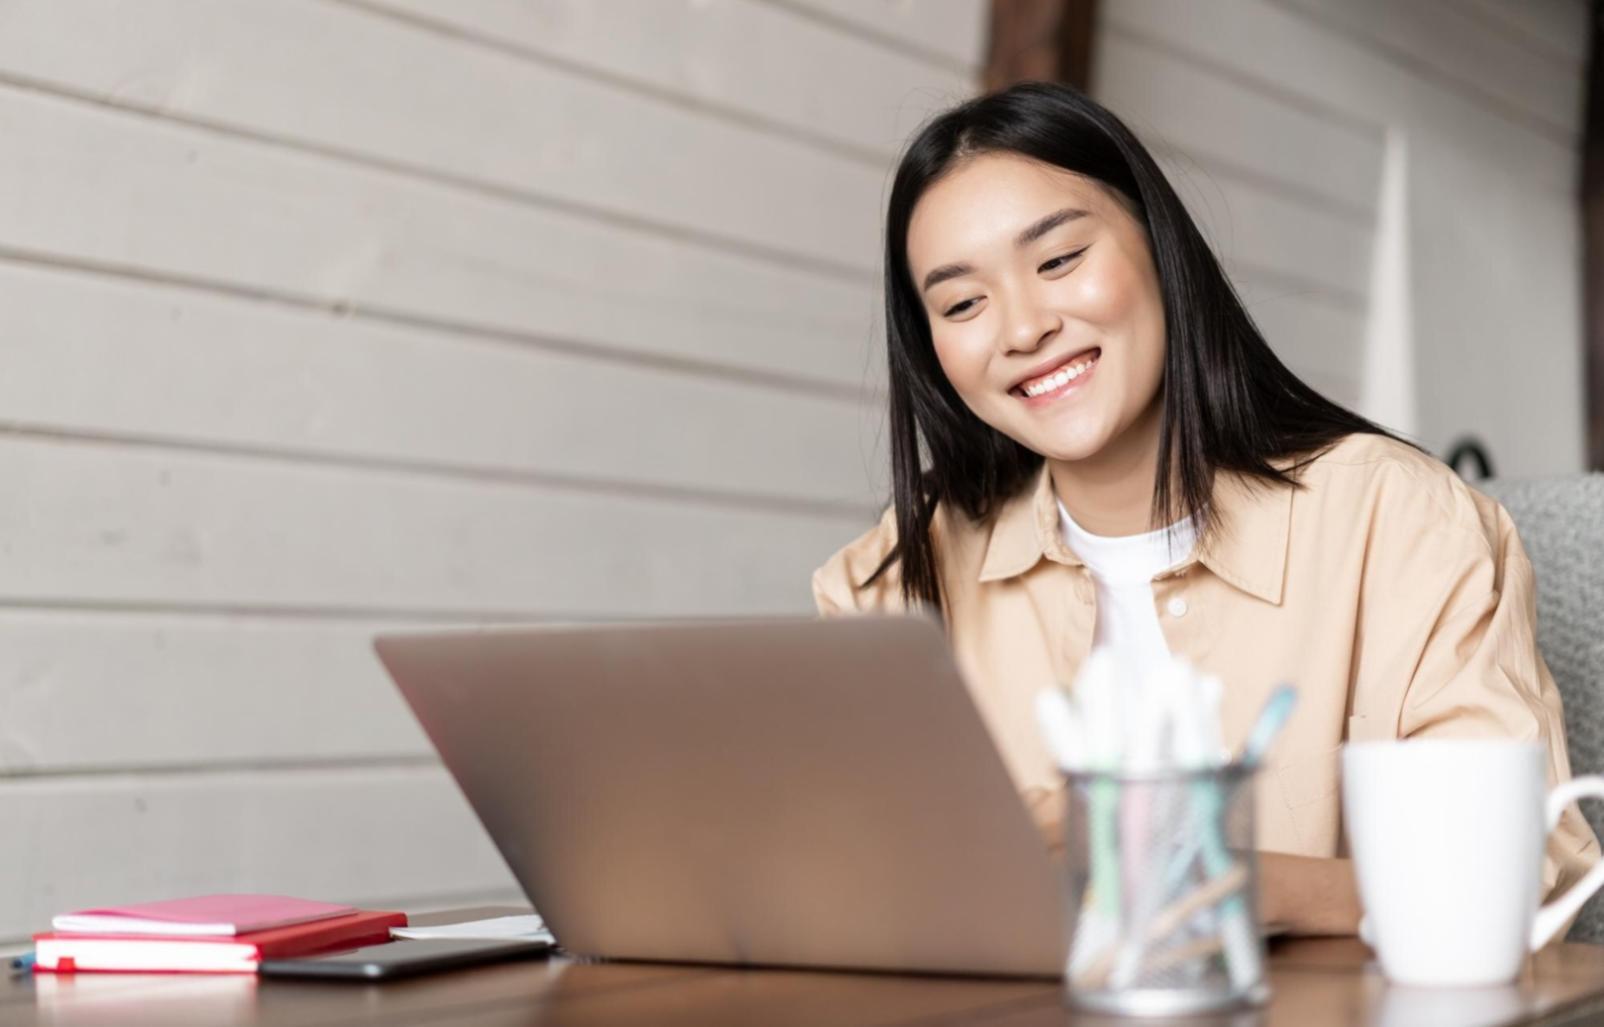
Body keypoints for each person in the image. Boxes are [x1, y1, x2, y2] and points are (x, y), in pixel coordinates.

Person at [811, 81, 1600, 937]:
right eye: (962, 303)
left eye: (1060, 260)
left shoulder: (1395, 518)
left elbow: (1514, 874)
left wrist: (1214, 871)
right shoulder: (898, 576)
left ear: (1160, 246)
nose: (1023, 327)